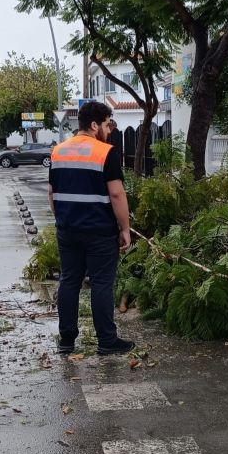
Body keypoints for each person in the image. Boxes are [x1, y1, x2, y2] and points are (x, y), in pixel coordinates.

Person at [47, 101, 136, 356]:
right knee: (101, 284)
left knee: (69, 281)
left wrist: (62, 218)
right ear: (95, 125)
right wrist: (125, 228)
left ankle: (66, 340)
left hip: (67, 230)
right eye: (107, 125)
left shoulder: (58, 152)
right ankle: (107, 341)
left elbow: (52, 193)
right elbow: (117, 195)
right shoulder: (105, 152)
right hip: (99, 232)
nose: (109, 131)